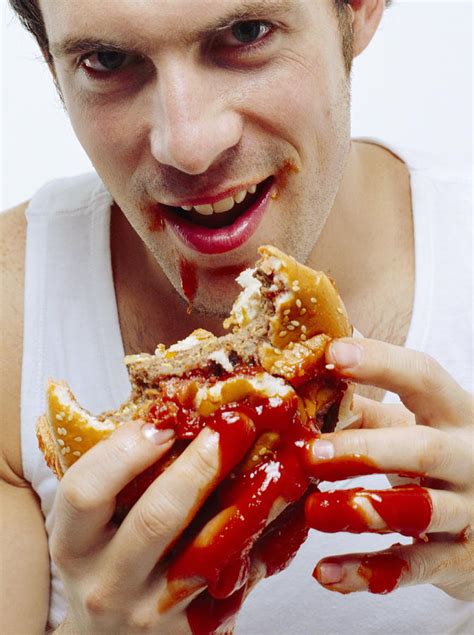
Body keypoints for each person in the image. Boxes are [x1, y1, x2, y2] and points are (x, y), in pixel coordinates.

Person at [1, 0, 472, 633]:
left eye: (247, 34)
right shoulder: (11, 317)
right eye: (107, 60)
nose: (188, 146)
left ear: (358, 10)